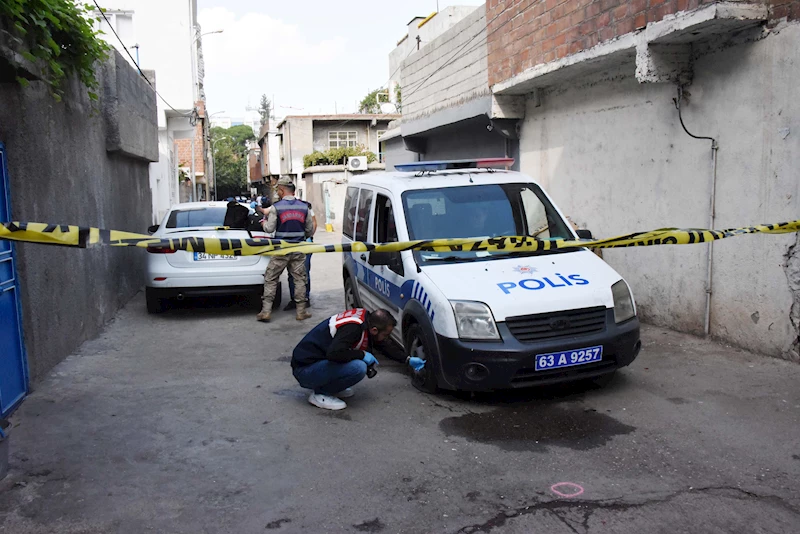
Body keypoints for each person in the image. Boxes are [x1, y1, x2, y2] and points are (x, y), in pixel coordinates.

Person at [291, 308, 426, 410]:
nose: (386, 337)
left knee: (357, 363)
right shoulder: (353, 329)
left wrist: (407, 359)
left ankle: (331, 388)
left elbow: (384, 345)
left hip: (313, 364)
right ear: (374, 330)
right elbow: (334, 354)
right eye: (385, 334)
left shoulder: (365, 320)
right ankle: (321, 393)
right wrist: (361, 355)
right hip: (305, 370)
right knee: (358, 367)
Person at [257, 177, 313, 322]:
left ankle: (266, 312)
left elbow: (269, 229)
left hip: (281, 250)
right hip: (298, 250)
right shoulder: (304, 207)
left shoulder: (277, 207)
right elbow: (309, 231)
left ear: (281, 190)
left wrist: (263, 221)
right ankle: (301, 312)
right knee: (300, 280)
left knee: (271, 278)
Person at [285, 200, 317, 310]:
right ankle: (294, 299)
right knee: (291, 273)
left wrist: (308, 236)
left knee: (304, 272)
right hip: (291, 245)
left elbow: (313, 223)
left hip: (305, 245)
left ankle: (305, 298)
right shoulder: (287, 210)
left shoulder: (306, 208)